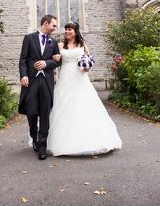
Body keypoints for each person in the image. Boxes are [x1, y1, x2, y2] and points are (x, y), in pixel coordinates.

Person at [45, 22, 122, 156]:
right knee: (64, 106)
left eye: (70, 29)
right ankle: (61, 141)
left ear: (75, 31)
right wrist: (54, 57)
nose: (67, 32)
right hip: (65, 77)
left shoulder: (82, 46)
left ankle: (91, 140)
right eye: (66, 29)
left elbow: (88, 60)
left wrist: (86, 66)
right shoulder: (59, 46)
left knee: (84, 105)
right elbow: (54, 61)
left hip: (80, 78)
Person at [18, 15, 61, 160]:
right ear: (46, 23)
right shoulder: (29, 38)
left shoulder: (53, 42)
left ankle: (42, 146)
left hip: (46, 82)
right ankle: (34, 137)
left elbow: (57, 61)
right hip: (31, 81)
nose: (55, 28)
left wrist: (46, 63)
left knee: (44, 113)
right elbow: (23, 59)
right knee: (31, 111)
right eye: (53, 25)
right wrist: (23, 75)